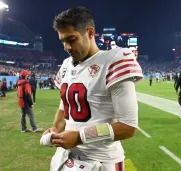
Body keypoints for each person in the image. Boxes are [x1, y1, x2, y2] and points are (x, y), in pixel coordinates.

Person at [41, 6, 143, 171]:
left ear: (90, 33)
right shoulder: (66, 65)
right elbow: (65, 105)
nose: (66, 47)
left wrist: (80, 137)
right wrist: (55, 128)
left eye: (72, 39)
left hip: (101, 161)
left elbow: (128, 126)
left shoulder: (113, 61)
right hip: (67, 158)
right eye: (63, 41)